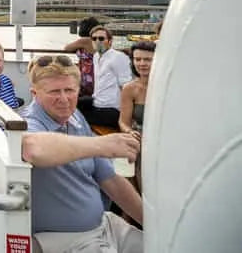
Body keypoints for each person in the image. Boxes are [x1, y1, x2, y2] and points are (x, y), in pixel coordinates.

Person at [21, 55, 143, 252]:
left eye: (69, 90)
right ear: (34, 94)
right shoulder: (29, 123)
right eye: (54, 92)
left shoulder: (75, 117)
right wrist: (102, 144)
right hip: (68, 241)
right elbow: (33, 148)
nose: (64, 99)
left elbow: (110, 180)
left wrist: (151, 224)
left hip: (105, 226)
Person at [78, 26, 133, 128]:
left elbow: (126, 86)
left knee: (74, 115)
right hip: (96, 101)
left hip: (112, 109)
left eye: (101, 38)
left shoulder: (118, 57)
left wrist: (125, 117)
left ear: (110, 41)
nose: (97, 41)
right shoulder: (96, 56)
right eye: (94, 39)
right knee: (69, 104)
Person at [119, 41, 155, 192]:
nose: (142, 64)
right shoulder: (129, 89)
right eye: (137, 59)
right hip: (140, 140)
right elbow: (123, 122)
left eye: (147, 59)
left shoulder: (169, 86)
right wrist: (129, 131)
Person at [64, 16, 100, 98]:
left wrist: (77, 49)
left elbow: (67, 48)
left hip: (88, 76)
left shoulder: (85, 41)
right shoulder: (99, 41)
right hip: (97, 74)